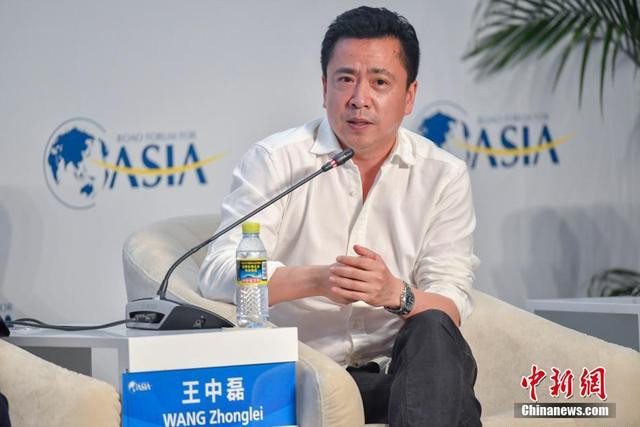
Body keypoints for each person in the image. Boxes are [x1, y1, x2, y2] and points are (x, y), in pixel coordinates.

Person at [200, 6, 481, 426]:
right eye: (345, 79)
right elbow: (218, 272)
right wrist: (318, 280)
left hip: (398, 377)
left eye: (379, 82)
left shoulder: (443, 175)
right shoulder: (276, 161)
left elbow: (451, 302)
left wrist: (395, 293)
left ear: (409, 96)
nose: (359, 99)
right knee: (452, 403)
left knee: (433, 328)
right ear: (324, 87)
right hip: (301, 378)